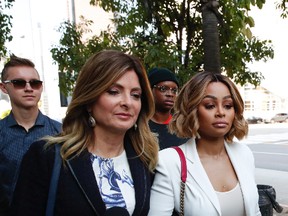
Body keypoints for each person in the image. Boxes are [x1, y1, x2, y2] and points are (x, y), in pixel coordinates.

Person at [11, 50, 159, 215]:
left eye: (135, 95)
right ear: (89, 100)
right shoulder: (47, 156)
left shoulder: (145, 159)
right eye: (114, 92)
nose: (127, 102)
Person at [149, 71, 261, 215]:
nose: (221, 112)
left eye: (228, 105)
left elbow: (255, 211)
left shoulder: (244, 154)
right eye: (209, 105)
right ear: (192, 110)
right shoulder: (170, 162)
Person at [0, 55, 62, 215]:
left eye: (35, 83)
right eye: (19, 83)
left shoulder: (61, 133)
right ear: (4, 88)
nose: (29, 88)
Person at [148, 67, 188, 150]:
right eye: (163, 89)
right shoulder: (139, 126)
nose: (170, 94)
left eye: (174, 90)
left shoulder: (183, 127)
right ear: (150, 90)